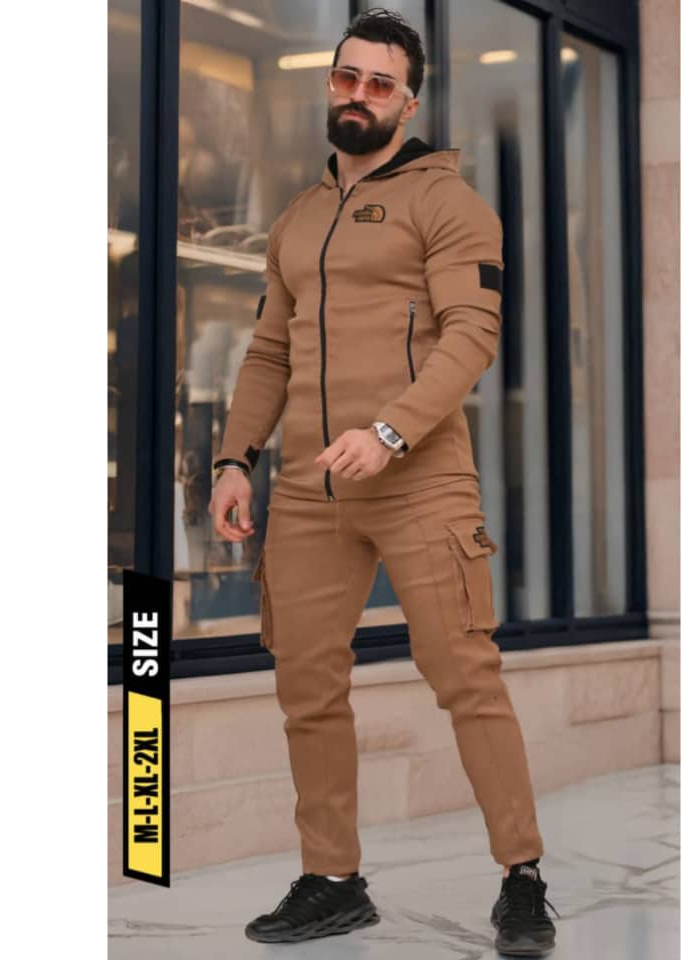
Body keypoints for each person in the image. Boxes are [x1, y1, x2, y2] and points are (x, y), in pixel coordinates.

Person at [208, 7, 559, 956]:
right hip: (309, 489)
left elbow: (471, 335)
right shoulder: (298, 217)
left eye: (379, 83)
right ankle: (332, 879)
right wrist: (236, 458)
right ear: (330, 83)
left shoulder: (449, 203)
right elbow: (269, 352)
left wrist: (392, 431)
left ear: (409, 102)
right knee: (307, 687)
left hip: (421, 479)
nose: (358, 94)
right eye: (346, 76)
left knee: (466, 676)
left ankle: (522, 876)